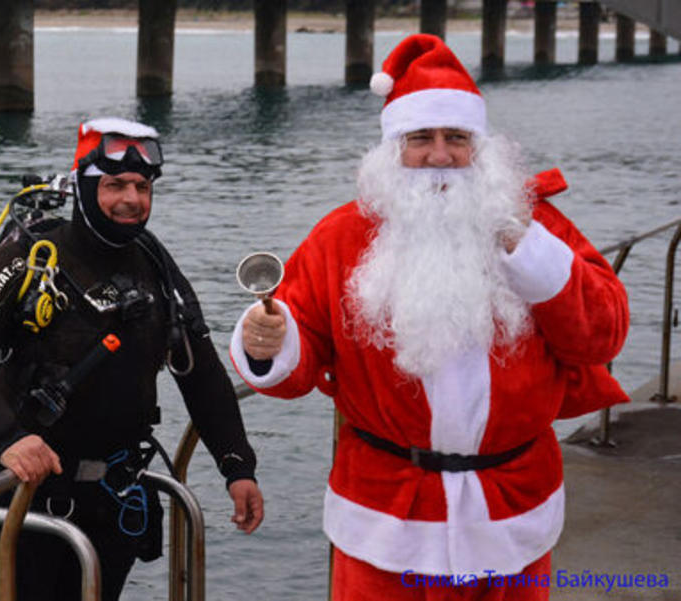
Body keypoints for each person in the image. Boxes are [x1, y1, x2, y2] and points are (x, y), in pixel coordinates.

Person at [230, 35, 628, 600]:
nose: (440, 155)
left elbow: (603, 333)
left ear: (480, 148)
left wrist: (525, 247)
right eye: (421, 138)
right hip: (384, 519)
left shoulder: (535, 227)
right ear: (393, 148)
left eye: (456, 138)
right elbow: (295, 360)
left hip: (512, 510)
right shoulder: (341, 237)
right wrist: (267, 343)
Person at [0, 117, 263, 600]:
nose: (132, 198)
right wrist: (8, 436)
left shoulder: (153, 264)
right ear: (84, 188)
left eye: (142, 185)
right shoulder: (30, 257)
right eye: (114, 185)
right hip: (24, 500)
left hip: (111, 503)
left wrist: (237, 466)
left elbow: (201, 374)